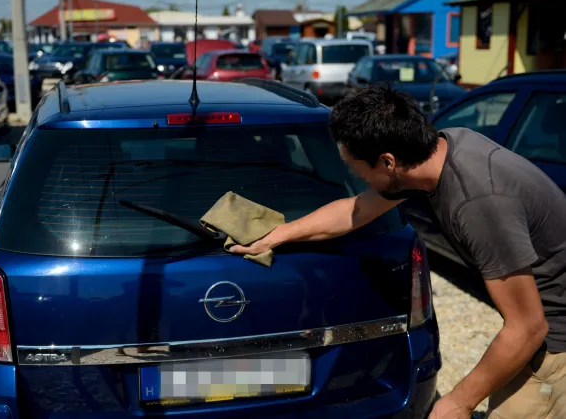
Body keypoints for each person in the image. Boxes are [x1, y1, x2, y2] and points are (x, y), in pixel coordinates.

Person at [231, 84, 566, 419]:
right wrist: (280, 234)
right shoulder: (439, 151)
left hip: (554, 342)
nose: (353, 174)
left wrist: (460, 401)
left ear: (388, 162)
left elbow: (527, 326)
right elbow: (358, 210)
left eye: (354, 165)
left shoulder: (478, 202)